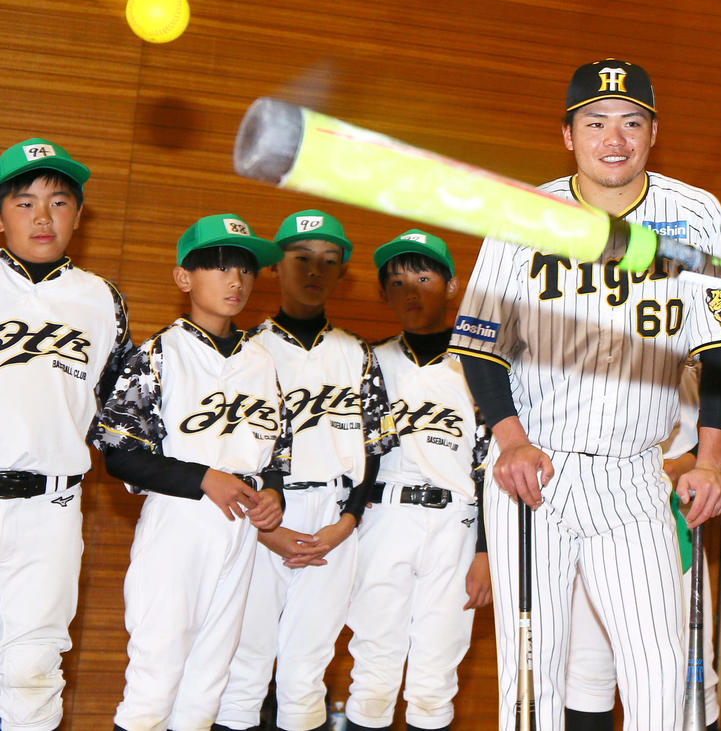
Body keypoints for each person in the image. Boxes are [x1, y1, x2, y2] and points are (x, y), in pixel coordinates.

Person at [450, 59, 721, 731]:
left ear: (653, 133)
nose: (614, 139)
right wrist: (511, 441)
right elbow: (478, 343)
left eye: (631, 122)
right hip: (537, 471)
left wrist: (711, 461)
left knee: (660, 670)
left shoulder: (697, 213)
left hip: (635, 474)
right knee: (531, 680)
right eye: (595, 123)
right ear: (568, 135)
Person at [94, 213, 290, 731]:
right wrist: (203, 476)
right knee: (156, 679)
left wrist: (274, 490)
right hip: (180, 517)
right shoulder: (159, 353)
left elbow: (278, 450)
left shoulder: (262, 360)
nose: (235, 280)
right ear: (184, 277)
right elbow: (118, 451)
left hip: (241, 525)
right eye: (219, 267)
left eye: (245, 269)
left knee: (208, 682)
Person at [214, 210, 396, 731]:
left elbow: (375, 449)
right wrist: (265, 530)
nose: (315, 270)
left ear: (342, 273)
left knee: (307, 671)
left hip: (334, 520)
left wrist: (348, 522)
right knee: (244, 666)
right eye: (301, 258)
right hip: (261, 515)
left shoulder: (358, 353)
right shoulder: (246, 348)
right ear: (274, 267)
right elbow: (227, 448)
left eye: (329, 261)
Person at [0, 138, 133, 731]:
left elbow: (118, 414)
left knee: (32, 666)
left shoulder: (102, 300)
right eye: (24, 202)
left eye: (58, 202)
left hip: (50, 506)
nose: (43, 216)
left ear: (78, 216)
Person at [342, 230, 490, 731]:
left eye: (424, 278)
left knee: (435, 678)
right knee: (373, 668)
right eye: (398, 282)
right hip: (384, 515)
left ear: (452, 287)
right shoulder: (367, 362)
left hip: (456, 522)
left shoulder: (482, 368)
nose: (411, 291)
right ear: (384, 295)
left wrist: (486, 551)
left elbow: (491, 462)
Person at [565, 363, 721, 731]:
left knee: (691, 671)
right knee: (588, 672)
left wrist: (688, 462)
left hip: (668, 519)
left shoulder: (694, 344)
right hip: (585, 504)